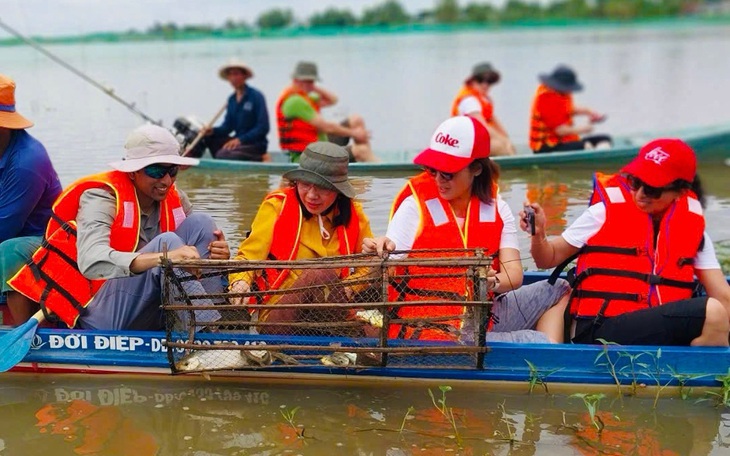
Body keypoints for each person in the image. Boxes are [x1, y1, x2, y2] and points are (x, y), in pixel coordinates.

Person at [363, 116, 570, 344]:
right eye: (433, 170)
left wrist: (492, 282)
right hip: (431, 328)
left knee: (559, 288)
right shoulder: (414, 206)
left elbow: (514, 275)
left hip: (481, 317)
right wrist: (380, 247)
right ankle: (546, 360)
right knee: (540, 342)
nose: (439, 180)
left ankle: (543, 358)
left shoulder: (497, 207)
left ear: (477, 169)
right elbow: (388, 258)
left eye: (448, 173)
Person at [9, 124, 229, 330]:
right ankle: (204, 335)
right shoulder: (100, 198)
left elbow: (194, 252)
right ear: (133, 171)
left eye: (172, 171)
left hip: (153, 307)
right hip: (100, 312)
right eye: (155, 171)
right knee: (167, 243)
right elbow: (91, 261)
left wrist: (218, 255)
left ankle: (215, 327)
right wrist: (165, 257)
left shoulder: (174, 197)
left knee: (203, 224)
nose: (166, 181)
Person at [523, 138, 730, 346]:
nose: (639, 194)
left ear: (681, 192)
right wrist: (539, 235)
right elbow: (548, 258)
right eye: (635, 182)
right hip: (599, 329)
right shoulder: (603, 212)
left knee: (717, 315)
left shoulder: (691, 226)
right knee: (712, 313)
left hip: (657, 331)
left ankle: (690, 374)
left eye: (652, 189)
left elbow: (722, 294)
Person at [228, 142, 375, 336]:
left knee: (375, 331)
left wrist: (350, 286)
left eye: (322, 187)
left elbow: (371, 264)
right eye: (305, 185)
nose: (312, 195)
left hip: (331, 311)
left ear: (338, 190)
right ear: (296, 182)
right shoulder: (276, 207)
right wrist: (240, 282)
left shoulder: (354, 214)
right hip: (278, 314)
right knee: (320, 273)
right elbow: (247, 258)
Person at [0, 74, 63, 324]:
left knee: (8, 251)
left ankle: (26, 333)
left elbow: (4, 229)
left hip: (44, 244)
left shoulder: (27, 162)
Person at [275, 61, 379, 163]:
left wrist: (314, 87)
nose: (309, 85)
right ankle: (374, 164)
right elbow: (326, 127)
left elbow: (333, 100)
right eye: (305, 81)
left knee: (356, 120)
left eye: (311, 81)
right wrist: (354, 133)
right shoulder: (295, 102)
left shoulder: (305, 97)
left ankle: (367, 160)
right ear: (295, 80)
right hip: (308, 156)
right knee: (361, 151)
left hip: (320, 145)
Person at [197, 58, 269, 161]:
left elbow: (263, 127)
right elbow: (227, 127)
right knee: (207, 138)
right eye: (230, 75)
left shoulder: (256, 96)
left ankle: (260, 158)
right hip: (238, 142)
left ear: (244, 76)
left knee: (223, 154)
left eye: (236, 74)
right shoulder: (232, 100)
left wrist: (240, 139)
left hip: (255, 144)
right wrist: (212, 131)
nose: (233, 78)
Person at [529, 65, 610, 153]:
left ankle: (600, 163)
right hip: (546, 147)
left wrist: (588, 111)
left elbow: (566, 110)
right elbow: (560, 130)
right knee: (585, 146)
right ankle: (594, 164)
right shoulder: (545, 98)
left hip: (562, 142)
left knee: (605, 140)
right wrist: (584, 129)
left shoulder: (560, 94)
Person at [451, 62, 515, 156]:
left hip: (478, 140)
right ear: (472, 81)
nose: (485, 85)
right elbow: (483, 127)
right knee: (500, 147)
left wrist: (507, 140)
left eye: (489, 81)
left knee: (508, 145)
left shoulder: (483, 99)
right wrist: (504, 142)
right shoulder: (469, 100)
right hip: (464, 143)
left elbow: (496, 123)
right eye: (480, 80)